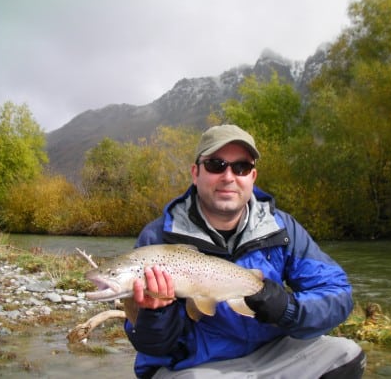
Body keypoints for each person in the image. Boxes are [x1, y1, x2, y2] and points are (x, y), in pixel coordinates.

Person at [125, 124, 366, 378]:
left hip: (274, 355)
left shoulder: (282, 228)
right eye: (216, 165)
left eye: (241, 167)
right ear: (195, 173)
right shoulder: (157, 238)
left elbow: (338, 294)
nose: (229, 177)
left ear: (252, 177)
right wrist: (156, 313)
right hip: (195, 366)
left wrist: (287, 308)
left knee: (346, 355)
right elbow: (149, 345)